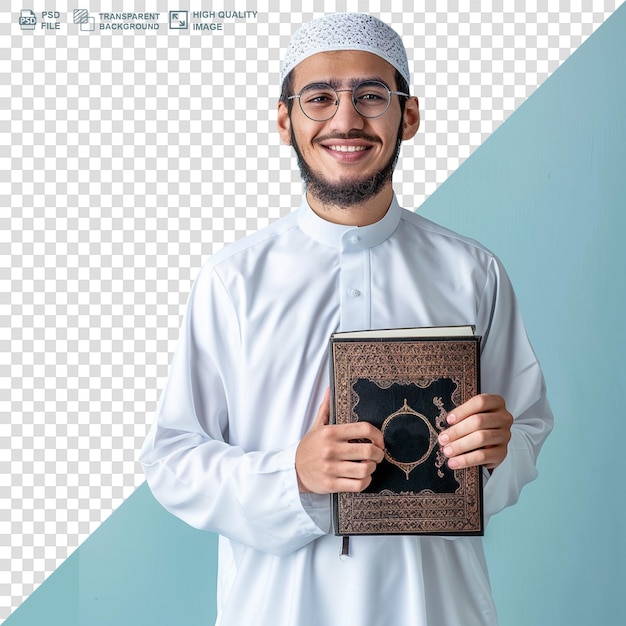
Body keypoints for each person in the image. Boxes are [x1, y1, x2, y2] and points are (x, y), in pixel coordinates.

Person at [140, 13, 553, 626]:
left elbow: (527, 430)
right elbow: (173, 460)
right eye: (320, 98)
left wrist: (498, 450)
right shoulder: (233, 281)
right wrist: (293, 475)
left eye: (370, 96)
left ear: (407, 116)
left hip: (436, 609)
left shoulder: (473, 274)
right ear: (285, 120)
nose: (345, 120)